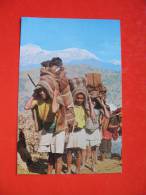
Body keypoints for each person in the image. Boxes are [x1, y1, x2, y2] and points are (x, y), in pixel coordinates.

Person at [24, 85, 66, 174]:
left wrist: (54, 96)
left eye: (43, 91)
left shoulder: (55, 100)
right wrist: (33, 95)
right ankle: (49, 177)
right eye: (40, 91)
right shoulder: (38, 100)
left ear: (48, 91)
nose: (41, 92)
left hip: (58, 131)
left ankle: (58, 179)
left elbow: (54, 110)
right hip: (47, 130)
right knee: (50, 156)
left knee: (58, 157)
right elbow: (27, 107)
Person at [66, 89, 89, 174]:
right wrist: (71, 122)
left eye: (82, 98)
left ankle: (77, 170)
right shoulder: (70, 107)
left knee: (79, 152)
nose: (79, 100)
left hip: (80, 131)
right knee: (69, 151)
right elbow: (67, 117)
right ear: (75, 98)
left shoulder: (85, 107)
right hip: (71, 131)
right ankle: (68, 170)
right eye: (78, 98)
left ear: (84, 99)